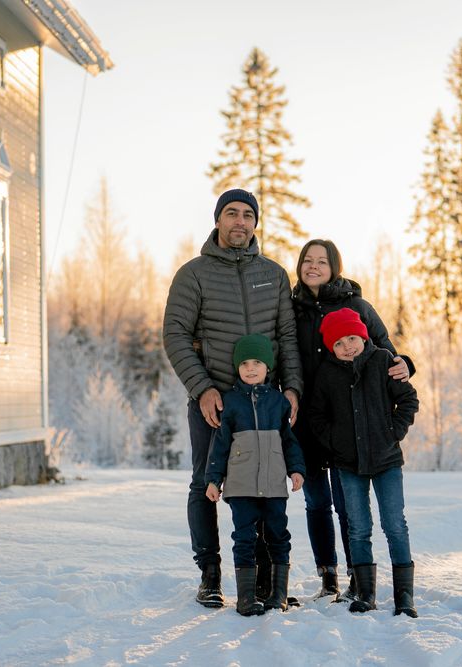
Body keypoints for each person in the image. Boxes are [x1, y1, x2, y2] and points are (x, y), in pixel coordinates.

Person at [163, 189, 302, 608]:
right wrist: (202, 388)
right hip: (216, 403)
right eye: (231, 213)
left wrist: (291, 387)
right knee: (204, 483)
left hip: (264, 405)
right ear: (218, 220)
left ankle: (260, 577)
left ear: (255, 223)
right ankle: (209, 573)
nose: (240, 221)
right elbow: (175, 335)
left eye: (247, 215)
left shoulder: (275, 275)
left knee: (262, 487)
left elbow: (288, 337)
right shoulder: (194, 274)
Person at [290, 239, 414, 600]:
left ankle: (358, 579)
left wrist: (407, 364)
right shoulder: (290, 308)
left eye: (321, 261)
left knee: (349, 505)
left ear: (334, 267)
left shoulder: (355, 305)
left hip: (354, 424)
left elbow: (385, 350)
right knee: (316, 502)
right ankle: (328, 576)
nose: (313, 267)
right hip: (310, 420)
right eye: (307, 261)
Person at [309, 308, 420, 617]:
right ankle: (365, 592)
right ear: (331, 347)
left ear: (363, 336)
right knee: (358, 528)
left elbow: (409, 400)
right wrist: (335, 442)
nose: (348, 347)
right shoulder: (327, 374)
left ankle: (404, 595)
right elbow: (316, 416)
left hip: (386, 460)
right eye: (340, 343)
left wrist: (392, 432)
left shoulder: (383, 361)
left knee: (394, 525)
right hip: (348, 464)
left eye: (352, 339)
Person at [204, 334, 307, 616]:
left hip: (274, 484)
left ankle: (278, 595)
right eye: (245, 363)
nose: (251, 368)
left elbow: (289, 441)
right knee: (245, 538)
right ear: (237, 367)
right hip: (240, 486)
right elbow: (220, 444)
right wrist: (213, 479)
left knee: (278, 535)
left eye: (257, 362)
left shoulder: (278, 402)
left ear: (268, 367)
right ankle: (247, 597)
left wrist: (296, 470)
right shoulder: (230, 403)